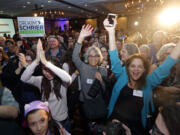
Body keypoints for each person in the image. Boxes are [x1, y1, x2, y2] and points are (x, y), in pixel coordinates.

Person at [103, 17, 180, 134]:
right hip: (115, 120)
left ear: (144, 69)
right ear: (127, 68)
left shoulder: (149, 81)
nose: (136, 69)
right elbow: (113, 56)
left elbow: (168, 64)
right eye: (132, 66)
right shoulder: (122, 75)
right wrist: (111, 31)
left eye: (140, 66)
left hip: (136, 125)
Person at [21, 39, 72, 131]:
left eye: (51, 70)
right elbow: (23, 78)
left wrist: (46, 63)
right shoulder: (41, 80)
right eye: (45, 69)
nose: (47, 73)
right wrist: (36, 61)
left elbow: (67, 78)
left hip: (62, 121)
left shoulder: (62, 81)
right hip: (47, 121)